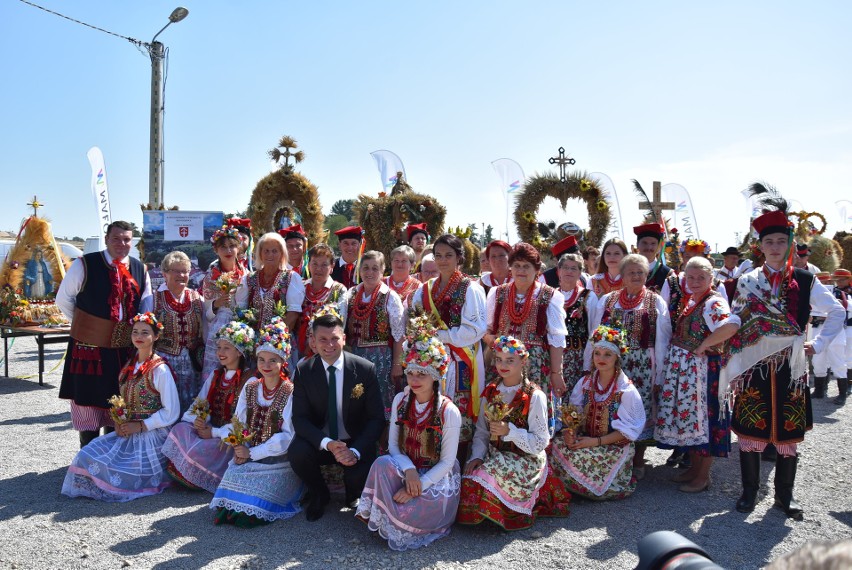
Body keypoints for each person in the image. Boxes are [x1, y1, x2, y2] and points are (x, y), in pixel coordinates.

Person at [726, 188, 844, 519]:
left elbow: (835, 312)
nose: (775, 247)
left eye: (781, 241)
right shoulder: (746, 281)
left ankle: (783, 498)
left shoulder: (806, 280)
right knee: (750, 432)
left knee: (787, 436)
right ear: (760, 247)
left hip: (791, 369)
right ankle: (748, 494)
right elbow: (733, 321)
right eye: (769, 242)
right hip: (754, 367)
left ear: (789, 243)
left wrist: (817, 345)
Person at [356, 332, 461, 551]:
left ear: (435, 376)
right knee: (381, 463)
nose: (413, 380)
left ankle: (400, 518)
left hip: (436, 478)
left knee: (414, 509)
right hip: (408, 470)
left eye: (421, 374)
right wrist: (409, 470)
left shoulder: (448, 411)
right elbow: (393, 445)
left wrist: (420, 484)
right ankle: (390, 516)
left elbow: (447, 462)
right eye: (410, 373)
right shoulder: (401, 400)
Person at [61, 313, 179, 501]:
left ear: (156, 336)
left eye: (145, 332)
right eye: (135, 332)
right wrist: (119, 421)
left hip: (153, 435)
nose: (139, 336)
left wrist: (141, 426)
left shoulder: (160, 369)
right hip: (130, 430)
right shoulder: (128, 366)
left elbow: (171, 411)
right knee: (86, 454)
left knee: (117, 469)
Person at [457, 336, 570, 530]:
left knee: (483, 478)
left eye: (510, 360)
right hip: (496, 456)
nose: (503, 365)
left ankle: (507, 510)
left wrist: (511, 431)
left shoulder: (535, 396)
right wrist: (476, 456)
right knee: (468, 479)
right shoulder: (491, 392)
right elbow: (482, 432)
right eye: (499, 359)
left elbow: (540, 442)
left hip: (526, 459)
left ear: (523, 361)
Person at [56, 221, 153, 448]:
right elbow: (63, 299)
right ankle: (87, 458)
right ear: (107, 239)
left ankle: (110, 459)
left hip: (124, 349)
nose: (122, 244)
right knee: (88, 403)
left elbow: (146, 305)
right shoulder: (85, 265)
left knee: (118, 403)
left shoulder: (140, 269)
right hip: (88, 348)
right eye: (116, 238)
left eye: (127, 239)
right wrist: (87, 326)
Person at [288, 312, 386, 521]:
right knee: (297, 452)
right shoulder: (304, 370)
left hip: (354, 441)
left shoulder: (364, 369)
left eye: (334, 338)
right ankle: (319, 494)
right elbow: (300, 419)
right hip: (322, 441)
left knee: (359, 471)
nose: (329, 344)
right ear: (313, 342)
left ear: (344, 338)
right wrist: (328, 443)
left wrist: (356, 451)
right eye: (323, 339)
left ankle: (353, 494)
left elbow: (376, 418)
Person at [654, 257, 741, 492]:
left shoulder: (713, 302)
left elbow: (731, 325)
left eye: (700, 277)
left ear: (711, 278)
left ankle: (703, 476)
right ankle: (694, 470)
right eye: (690, 277)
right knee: (693, 421)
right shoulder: (695, 299)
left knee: (707, 420)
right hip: (690, 372)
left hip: (704, 372)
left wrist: (703, 346)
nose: (694, 281)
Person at [210, 318, 303, 526]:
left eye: (273, 360)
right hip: (248, 452)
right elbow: (239, 422)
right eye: (261, 360)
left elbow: (288, 437)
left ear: (283, 362)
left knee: (250, 512)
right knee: (232, 488)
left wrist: (252, 453)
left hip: (278, 460)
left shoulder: (290, 391)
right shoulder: (251, 386)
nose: (266, 365)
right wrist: (239, 446)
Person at [587, 254, 671, 480]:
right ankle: (611, 458)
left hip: (643, 364)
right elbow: (595, 333)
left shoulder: (656, 301)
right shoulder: (608, 300)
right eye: (631, 272)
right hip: (610, 363)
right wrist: (590, 365)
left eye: (640, 272)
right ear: (622, 276)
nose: (636, 276)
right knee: (610, 406)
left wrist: (660, 374)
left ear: (646, 275)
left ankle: (637, 460)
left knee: (639, 408)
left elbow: (662, 339)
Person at [410, 233, 487, 458]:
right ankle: (430, 459)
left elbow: (475, 329)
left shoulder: (470, 288)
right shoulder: (425, 290)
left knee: (459, 411)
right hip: (432, 361)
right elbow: (414, 320)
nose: (443, 260)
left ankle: (460, 463)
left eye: (449, 255)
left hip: (461, 362)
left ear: (459, 258)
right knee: (432, 408)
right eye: (438, 255)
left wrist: (439, 335)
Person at [549, 325, 645, 500]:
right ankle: (575, 483)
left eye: (607, 354)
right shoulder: (585, 383)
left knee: (586, 459)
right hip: (586, 438)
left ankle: (589, 486)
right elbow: (573, 415)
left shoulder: (626, 391)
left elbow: (628, 432)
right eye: (597, 353)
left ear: (617, 357)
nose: (601, 358)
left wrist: (594, 442)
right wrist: (572, 433)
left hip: (612, 446)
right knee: (555, 446)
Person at [163, 321, 255, 492]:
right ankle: (190, 472)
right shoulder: (216, 374)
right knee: (181, 428)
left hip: (229, 437)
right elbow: (200, 402)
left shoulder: (249, 381)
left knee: (206, 447)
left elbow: (243, 423)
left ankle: (199, 475)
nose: (220, 353)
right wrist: (199, 419)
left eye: (226, 348)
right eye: (219, 348)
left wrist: (213, 433)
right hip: (211, 429)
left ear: (240, 351)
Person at [484, 242, 567, 401]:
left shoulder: (550, 296)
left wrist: (556, 373)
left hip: (533, 366)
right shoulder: (497, 293)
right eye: (517, 265)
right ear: (511, 268)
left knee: (531, 410)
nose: (521, 271)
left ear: (536, 270)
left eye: (526, 266)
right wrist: (492, 341)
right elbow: (486, 330)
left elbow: (557, 339)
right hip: (501, 364)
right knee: (500, 410)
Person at [339, 250, 406, 419]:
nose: (369, 273)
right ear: (359, 270)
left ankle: (382, 444)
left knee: (381, 402)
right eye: (366, 268)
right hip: (354, 356)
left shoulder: (390, 297)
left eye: (375, 268)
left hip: (381, 358)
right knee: (356, 399)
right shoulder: (350, 294)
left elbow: (399, 335)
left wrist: (397, 365)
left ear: (383, 271)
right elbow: (340, 326)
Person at [154, 251, 204, 414]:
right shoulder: (153, 299)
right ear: (164, 273)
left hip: (193, 364)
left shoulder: (197, 297)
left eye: (185, 271)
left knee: (193, 406)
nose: (181, 275)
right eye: (176, 271)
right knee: (168, 405)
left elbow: (207, 325)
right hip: (165, 363)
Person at [235, 231, 305, 334]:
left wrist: (273, 338)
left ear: (282, 253)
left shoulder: (291, 278)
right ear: (260, 254)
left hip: (279, 341)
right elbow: (240, 310)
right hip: (251, 338)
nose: (270, 255)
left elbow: (293, 314)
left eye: (274, 251)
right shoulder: (248, 278)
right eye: (266, 251)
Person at [201, 225, 246, 380]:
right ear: (216, 250)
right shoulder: (210, 278)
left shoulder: (247, 275)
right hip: (218, 332)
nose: (228, 251)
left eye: (232, 246)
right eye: (223, 247)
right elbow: (207, 316)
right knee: (215, 374)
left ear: (238, 248)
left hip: (242, 329)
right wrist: (216, 304)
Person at [297, 243, 348, 360]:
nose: (318, 269)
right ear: (308, 265)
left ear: (332, 267)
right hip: (298, 348)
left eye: (324, 265)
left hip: (326, 349)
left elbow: (340, 323)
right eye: (314, 264)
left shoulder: (339, 290)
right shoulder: (301, 286)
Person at [556, 252, 597, 396]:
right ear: (559, 271)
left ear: (580, 272)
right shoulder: (552, 296)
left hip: (579, 358)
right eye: (565, 267)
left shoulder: (588, 297)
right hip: (555, 357)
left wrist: (588, 362)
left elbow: (594, 331)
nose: (569, 271)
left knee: (576, 400)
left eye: (574, 268)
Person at [810, 272, 848, 404]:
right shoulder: (811, 295)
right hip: (818, 328)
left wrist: (842, 305)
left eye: (826, 282)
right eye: (821, 281)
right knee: (818, 361)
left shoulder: (840, 293)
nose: (823, 284)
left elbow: (847, 309)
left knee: (837, 361)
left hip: (835, 331)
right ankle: (819, 390)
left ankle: (842, 393)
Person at [634, 223, 679, 306]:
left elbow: (673, 307)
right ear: (637, 245)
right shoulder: (627, 271)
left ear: (658, 247)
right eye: (644, 243)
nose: (649, 247)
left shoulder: (668, 275)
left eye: (653, 243)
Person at [831, 269, 852, 397]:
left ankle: (849, 383)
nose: (839, 281)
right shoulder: (833, 291)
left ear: (849, 280)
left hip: (850, 326)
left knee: (849, 356)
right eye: (837, 279)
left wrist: (844, 303)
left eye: (842, 279)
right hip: (837, 327)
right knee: (837, 355)